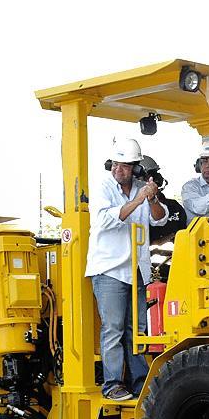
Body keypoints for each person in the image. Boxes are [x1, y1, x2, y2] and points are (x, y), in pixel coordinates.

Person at [85, 138, 168, 402]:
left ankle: (139, 381)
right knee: (113, 329)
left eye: (125, 166)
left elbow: (161, 218)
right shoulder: (103, 188)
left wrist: (152, 198)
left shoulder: (144, 189)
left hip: (137, 270)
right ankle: (112, 384)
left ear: (136, 168)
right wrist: (139, 200)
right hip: (109, 270)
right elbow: (106, 220)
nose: (118, 170)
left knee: (138, 329)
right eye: (115, 164)